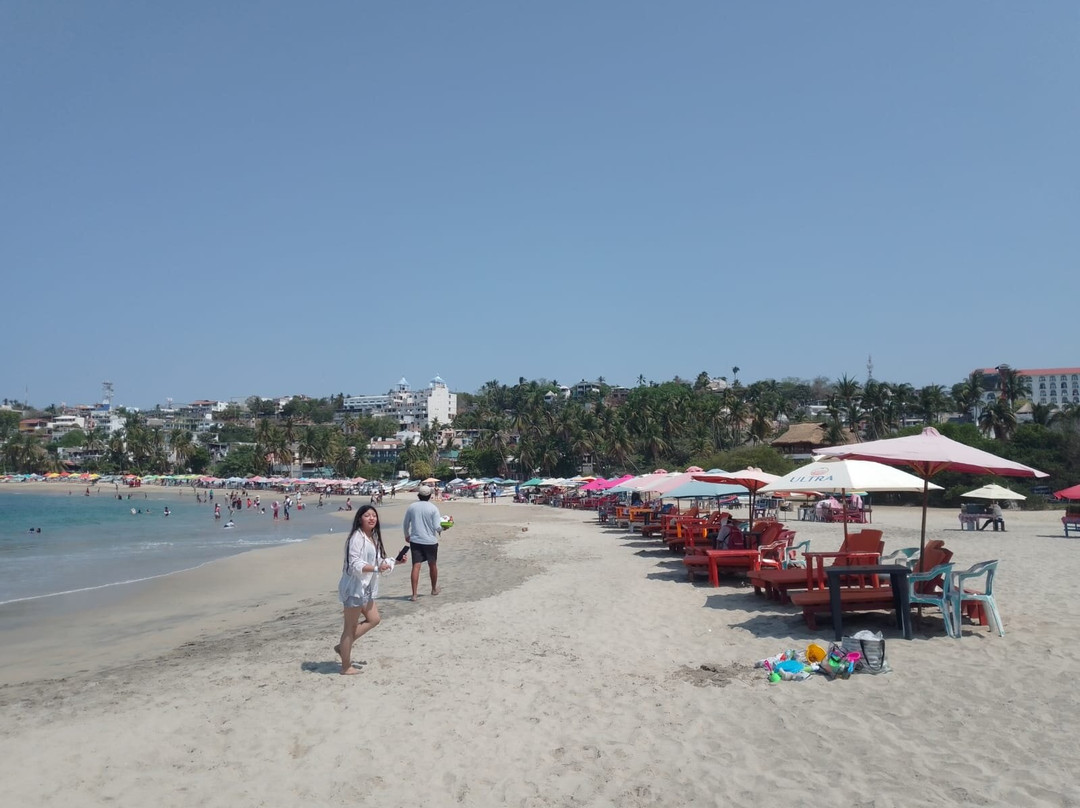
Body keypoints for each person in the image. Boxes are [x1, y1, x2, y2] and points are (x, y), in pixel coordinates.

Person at [336, 505, 394, 675]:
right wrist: (377, 568)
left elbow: (378, 560)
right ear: (360, 518)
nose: (371, 518)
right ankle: (345, 666)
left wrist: (394, 562)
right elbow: (355, 564)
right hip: (354, 588)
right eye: (367, 515)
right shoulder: (357, 538)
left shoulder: (372, 537)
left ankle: (342, 647)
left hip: (365, 588)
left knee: (374, 619)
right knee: (349, 627)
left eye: (374, 515)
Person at [402, 484, 444, 602]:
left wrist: (406, 535)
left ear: (418, 495)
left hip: (416, 540)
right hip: (430, 541)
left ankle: (414, 595)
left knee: (416, 566)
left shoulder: (412, 507)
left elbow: (406, 523)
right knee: (432, 564)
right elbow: (437, 527)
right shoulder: (433, 508)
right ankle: (434, 589)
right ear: (430, 496)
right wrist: (444, 528)